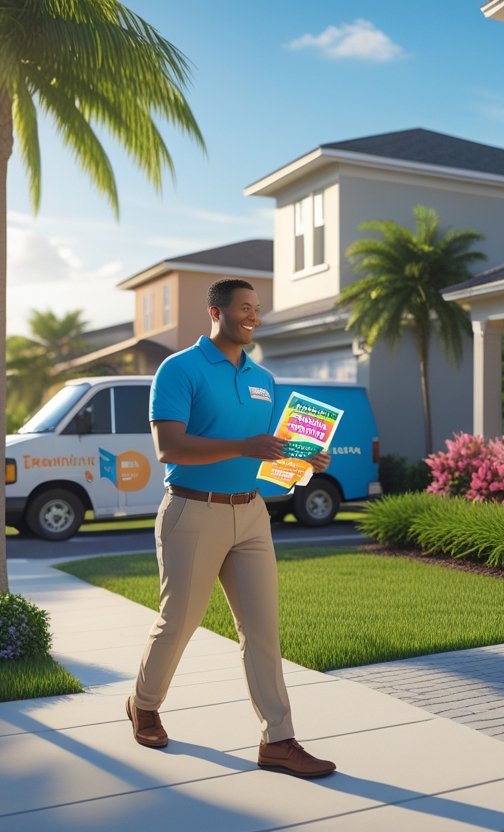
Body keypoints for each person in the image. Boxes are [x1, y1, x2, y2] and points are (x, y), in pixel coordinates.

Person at [126, 277, 336, 778]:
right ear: (214, 311)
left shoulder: (264, 378)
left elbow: (271, 450)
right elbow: (169, 448)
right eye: (244, 307)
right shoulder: (179, 370)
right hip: (193, 512)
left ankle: (278, 741)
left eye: (257, 308)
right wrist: (245, 445)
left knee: (262, 631)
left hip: (252, 514)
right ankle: (144, 703)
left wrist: (307, 460)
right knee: (179, 621)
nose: (253, 316)